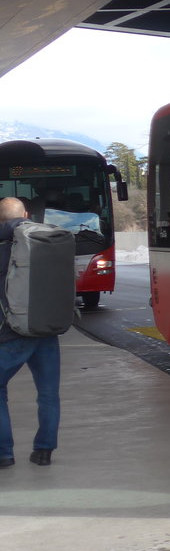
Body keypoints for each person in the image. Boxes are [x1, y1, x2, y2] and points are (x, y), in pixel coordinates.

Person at [0, 196, 60, 467]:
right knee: (48, 393)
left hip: (11, 333)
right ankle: (44, 450)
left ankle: (4, 453)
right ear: (25, 214)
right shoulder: (46, 239)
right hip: (46, 329)